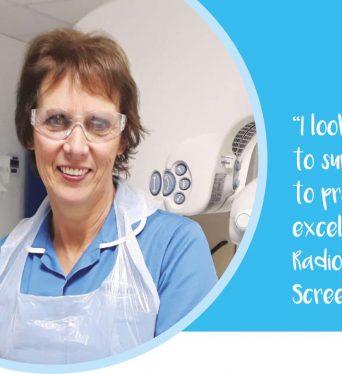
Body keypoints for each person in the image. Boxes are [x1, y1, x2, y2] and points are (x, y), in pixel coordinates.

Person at [0, 29, 218, 364]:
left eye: (98, 124)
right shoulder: (5, 257)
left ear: (122, 139)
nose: (75, 146)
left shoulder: (173, 250)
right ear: (30, 133)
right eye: (56, 120)